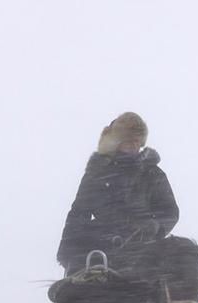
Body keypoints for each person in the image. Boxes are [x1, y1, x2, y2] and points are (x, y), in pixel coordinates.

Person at [56, 112, 179, 274]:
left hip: (142, 248)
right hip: (100, 248)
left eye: (137, 141)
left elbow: (170, 211)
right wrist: (68, 252)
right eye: (129, 141)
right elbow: (79, 211)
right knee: (75, 292)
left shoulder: (153, 173)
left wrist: (154, 227)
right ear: (117, 142)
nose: (134, 146)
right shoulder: (97, 173)